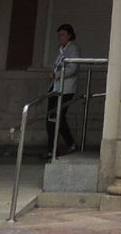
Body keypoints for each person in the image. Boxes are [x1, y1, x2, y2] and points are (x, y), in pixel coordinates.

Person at [44, 23, 80, 157]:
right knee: (55, 118)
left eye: (63, 35)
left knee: (56, 117)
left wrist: (56, 75)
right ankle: (66, 144)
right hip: (55, 87)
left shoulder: (73, 49)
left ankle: (53, 149)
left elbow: (72, 68)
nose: (60, 37)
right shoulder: (60, 49)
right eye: (59, 35)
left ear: (69, 35)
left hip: (65, 89)